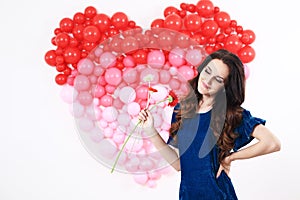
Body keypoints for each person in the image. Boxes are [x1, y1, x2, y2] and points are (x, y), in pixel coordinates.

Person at [138, 49, 281, 200]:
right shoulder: (182, 109)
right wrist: (150, 131)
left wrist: (230, 158)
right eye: (207, 71)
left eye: (218, 79)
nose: (207, 81)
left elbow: (272, 143)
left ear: (226, 87)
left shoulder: (230, 114)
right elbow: (179, 165)